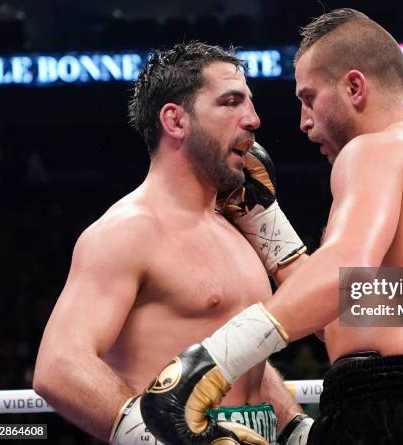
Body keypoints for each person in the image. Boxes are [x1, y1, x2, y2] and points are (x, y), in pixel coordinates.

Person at [125, 9, 403, 445]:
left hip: (390, 408)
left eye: (309, 98)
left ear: (354, 86)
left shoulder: (373, 151)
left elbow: (346, 269)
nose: (304, 122)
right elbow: (354, 309)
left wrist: (209, 363)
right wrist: (261, 218)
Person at [33, 42, 308, 445]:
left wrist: (295, 428)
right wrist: (162, 438)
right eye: (231, 102)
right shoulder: (129, 230)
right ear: (175, 121)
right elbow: (59, 367)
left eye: (249, 102)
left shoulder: (236, 228)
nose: (253, 119)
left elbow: (243, 364)